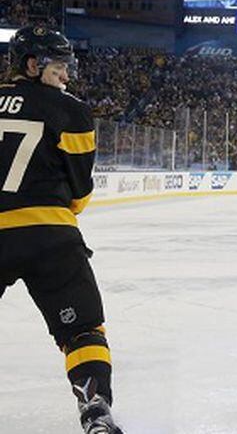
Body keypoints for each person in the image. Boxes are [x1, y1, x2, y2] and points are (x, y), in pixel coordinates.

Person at [0, 25, 121, 433]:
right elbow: (80, 196)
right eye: (59, 66)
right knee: (83, 330)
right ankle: (95, 412)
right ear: (32, 65)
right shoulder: (70, 110)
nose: (67, 75)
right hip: (49, 235)